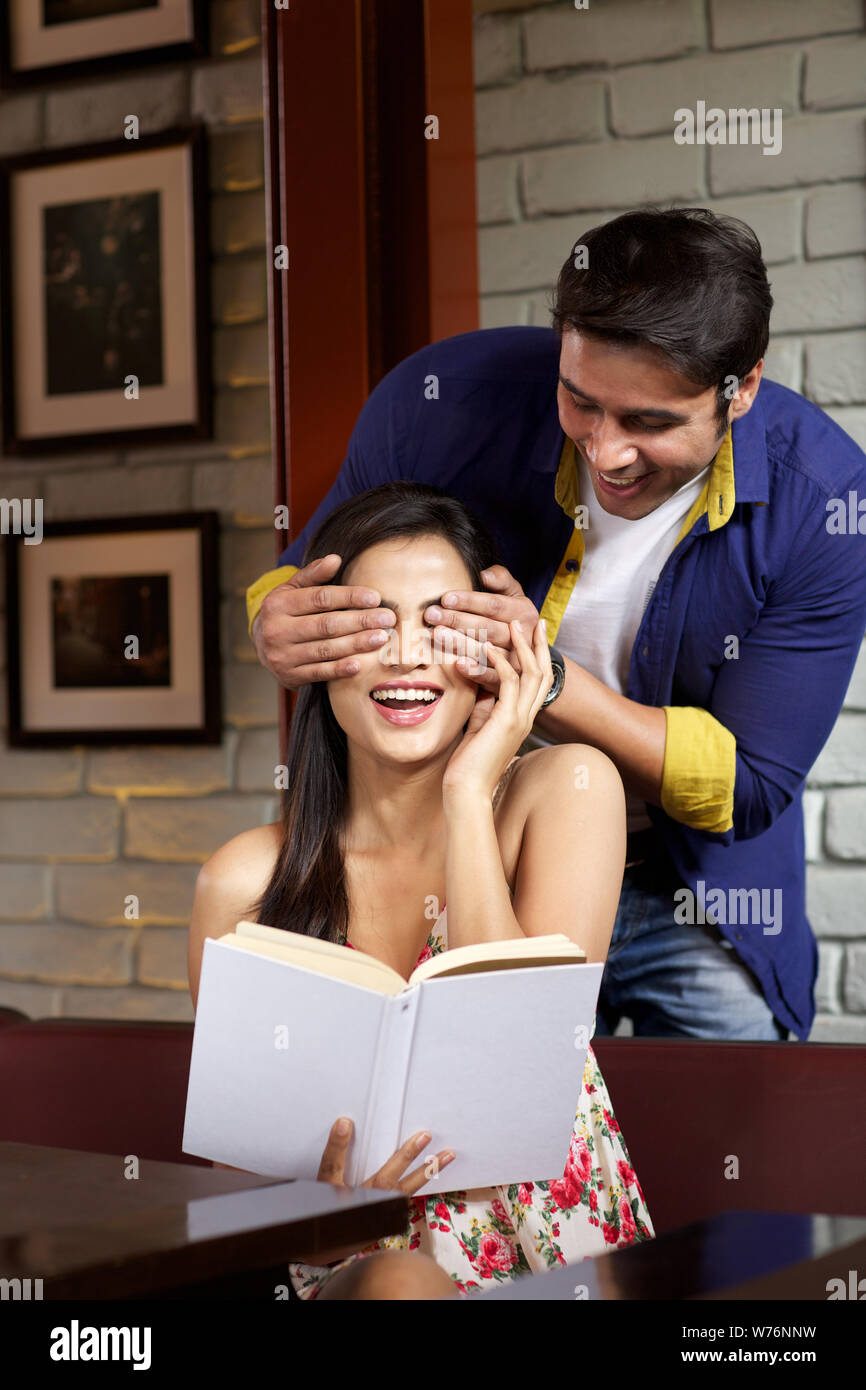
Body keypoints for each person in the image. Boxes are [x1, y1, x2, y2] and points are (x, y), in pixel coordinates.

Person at [246, 207, 866, 1045]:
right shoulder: (440, 404)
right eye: (581, 402)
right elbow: (302, 572)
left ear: (741, 388)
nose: (606, 452)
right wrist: (272, 620)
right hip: (461, 849)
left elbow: (746, 783)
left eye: (650, 423)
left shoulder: (824, 502)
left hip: (688, 888)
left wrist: (547, 682)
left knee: (725, 1145)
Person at [188, 483, 654, 1300]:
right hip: (353, 1255)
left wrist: (469, 794)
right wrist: (322, 1206)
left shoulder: (571, 788)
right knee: (402, 1283)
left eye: (438, 625)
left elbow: (518, 1054)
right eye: (373, 627)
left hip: (560, 1249)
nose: (405, 656)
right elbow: (232, 1178)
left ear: (493, 649)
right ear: (319, 654)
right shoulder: (242, 880)